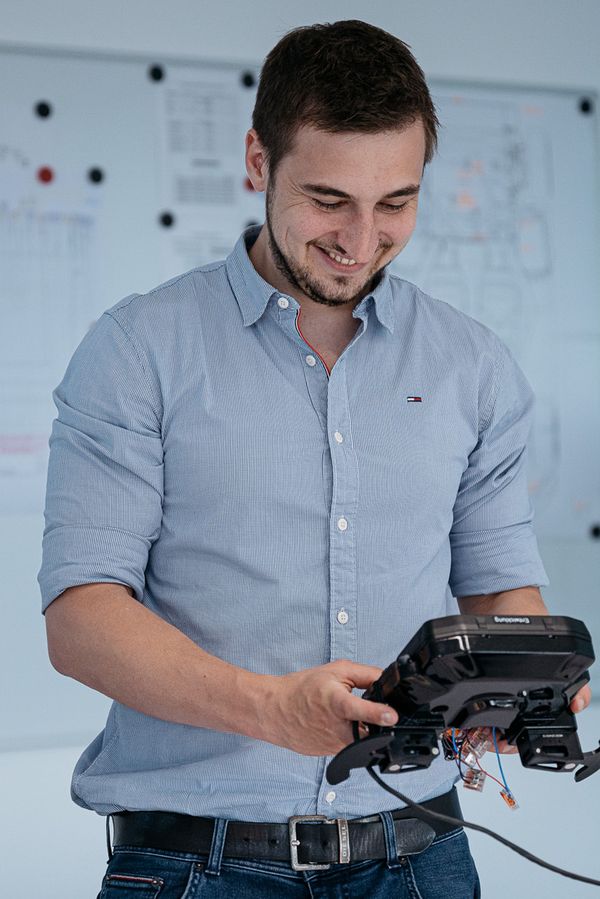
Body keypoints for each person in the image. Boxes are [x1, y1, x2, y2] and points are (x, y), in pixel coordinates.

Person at [39, 19, 590, 899]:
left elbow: (499, 587)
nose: (362, 238)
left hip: (424, 854)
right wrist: (269, 708)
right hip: (193, 864)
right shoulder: (136, 350)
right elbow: (81, 617)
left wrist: (523, 680)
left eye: (396, 202)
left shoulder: (473, 366)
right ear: (259, 161)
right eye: (329, 198)